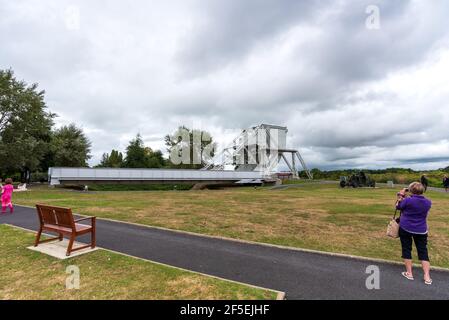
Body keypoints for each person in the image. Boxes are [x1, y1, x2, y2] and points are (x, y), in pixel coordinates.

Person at [396, 182, 432, 285]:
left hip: (406, 227)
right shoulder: (428, 202)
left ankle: (409, 273)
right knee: (423, 251)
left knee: (406, 248)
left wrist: (401, 195)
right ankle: (427, 276)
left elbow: (398, 206)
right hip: (421, 229)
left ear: (411, 190)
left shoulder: (408, 200)